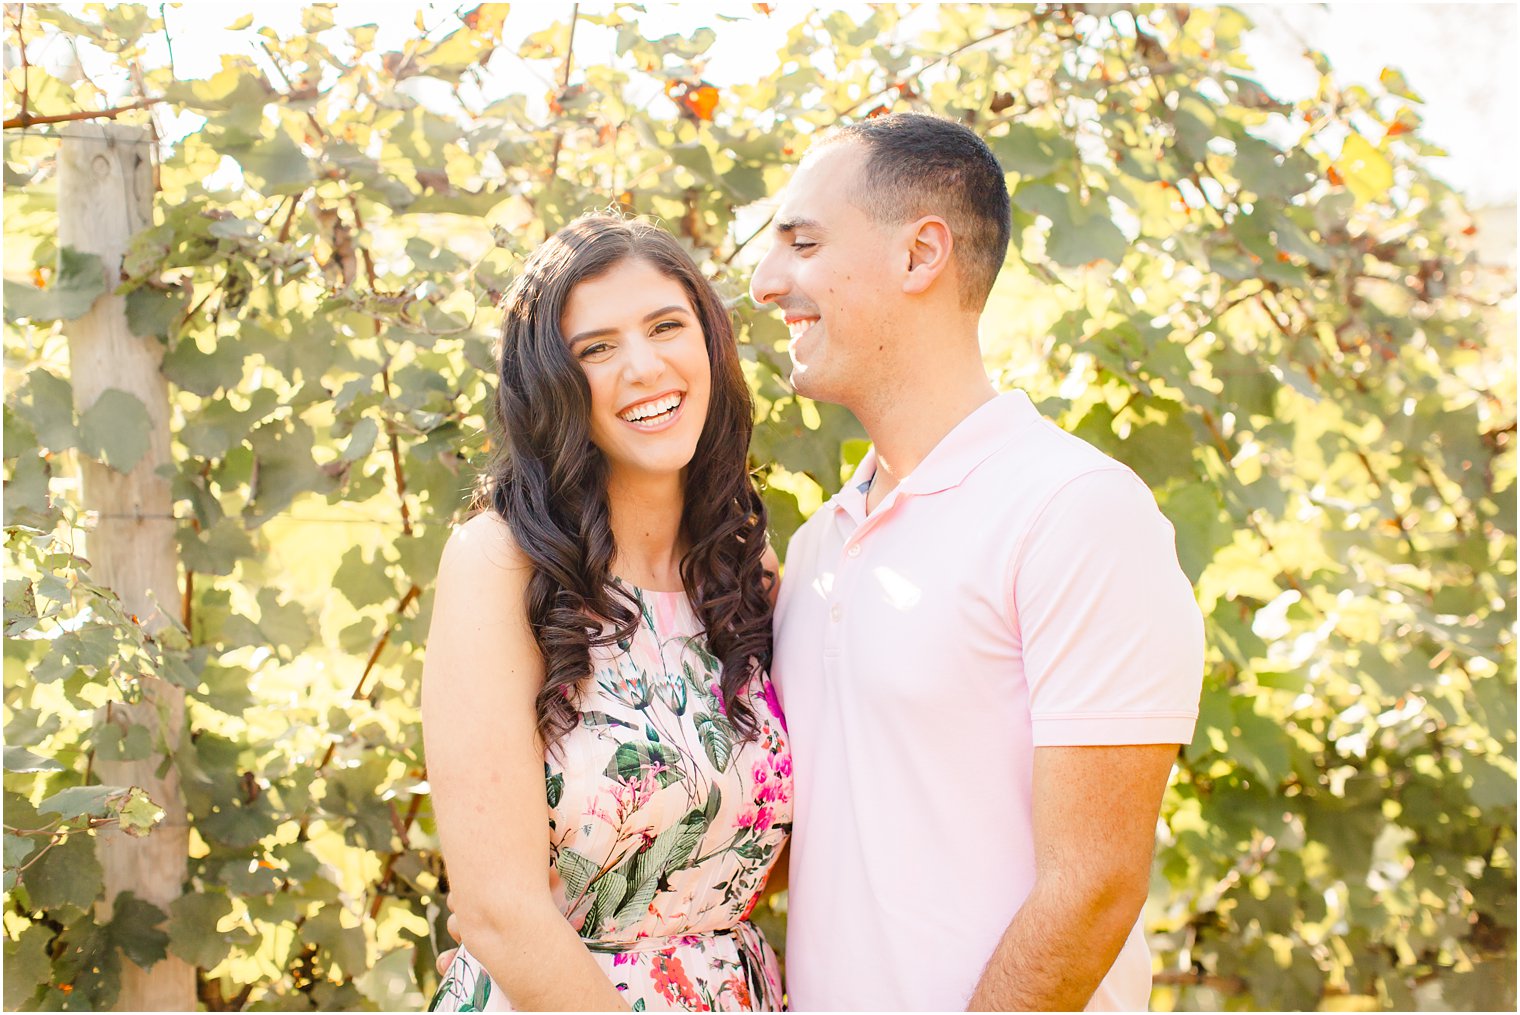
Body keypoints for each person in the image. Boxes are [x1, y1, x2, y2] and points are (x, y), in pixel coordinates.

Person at [747, 112, 1204, 1011]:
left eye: (802, 242)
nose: (767, 283)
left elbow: (1095, 884)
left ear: (921, 256)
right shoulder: (816, 548)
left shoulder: (1074, 511)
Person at [421, 215, 791, 1012]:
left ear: (710, 343)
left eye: (667, 326)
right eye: (597, 348)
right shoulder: (502, 565)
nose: (644, 366)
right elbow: (496, 909)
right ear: (551, 383)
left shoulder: (746, 569)